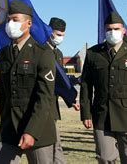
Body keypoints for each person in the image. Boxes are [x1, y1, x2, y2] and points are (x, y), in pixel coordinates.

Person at [80, 12, 127, 164]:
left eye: (116, 29)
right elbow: (86, 86)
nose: (112, 32)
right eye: (109, 29)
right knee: (105, 158)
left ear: (124, 31)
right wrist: (85, 113)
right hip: (102, 115)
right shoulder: (93, 54)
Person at [0, 0, 57, 163]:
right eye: (8, 20)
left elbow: (44, 98)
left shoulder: (43, 53)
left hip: (37, 128)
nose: (10, 24)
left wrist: (32, 132)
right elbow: (4, 94)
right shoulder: (2, 55)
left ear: (28, 23)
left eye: (15, 20)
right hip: (9, 128)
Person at [44, 17, 80, 164]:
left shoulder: (58, 54)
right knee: (49, 146)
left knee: (54, 145)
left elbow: (60, 81)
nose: (60, 38)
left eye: (63, 35)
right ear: (49, 31)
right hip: (40, 104)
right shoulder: (39, 49)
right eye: (58, 34)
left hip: (52, 106)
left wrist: (71, 99)